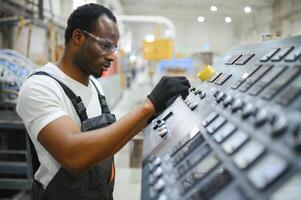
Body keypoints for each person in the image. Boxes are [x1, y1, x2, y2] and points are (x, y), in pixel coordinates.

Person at [16, 3, 190, 200]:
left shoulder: (95, 86)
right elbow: (73, 154)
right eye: (105, 45)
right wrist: (148, 105)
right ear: (78, 37)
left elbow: (105, 139)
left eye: (114, 48)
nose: (112, 56)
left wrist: (151, 116)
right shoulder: (40, 87)